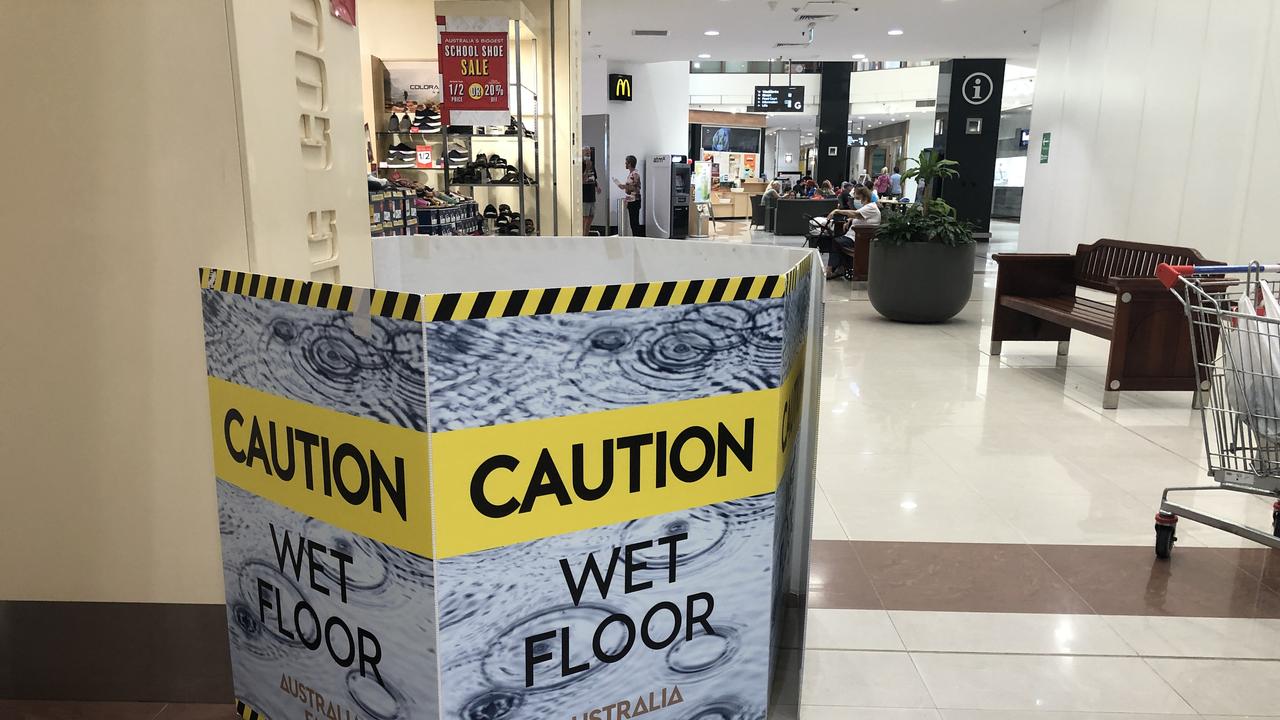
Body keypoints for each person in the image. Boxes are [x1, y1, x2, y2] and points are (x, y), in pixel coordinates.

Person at [824, 186, 881, 279]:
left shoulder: (871, 207)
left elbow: (856, 214)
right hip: (856, 237)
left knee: (835, 242)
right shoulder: (867, 207)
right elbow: (858, 215)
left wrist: (837, 211)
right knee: (836, 241)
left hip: (860, 239)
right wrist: (850, 219)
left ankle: (830, 269)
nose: (856, 201)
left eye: (858, 198)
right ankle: (839, 268)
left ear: (865, 197)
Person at [615, 155, 643, 236]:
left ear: (630, 164)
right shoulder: (631, 174)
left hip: (635, 200)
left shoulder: (635, 174)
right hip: (631, 200)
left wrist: (624, 186)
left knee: (634, 222)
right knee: (632, 222)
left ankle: (637, 239)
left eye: (626, 162)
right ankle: (635, 238)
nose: (625, 164)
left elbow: (636, 187)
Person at [582, 158, 601, 235]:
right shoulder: (581, 166)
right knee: (585, 217)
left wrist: (597, 186)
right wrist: (586, 168)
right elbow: (582, 180)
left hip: (592, 195)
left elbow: (594, 178)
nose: (588, 155)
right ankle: (582, 235)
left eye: (589, 153)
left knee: (591, 216)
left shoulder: (592, 166)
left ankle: (586, 234)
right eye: (586, 153)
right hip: (585, 196)